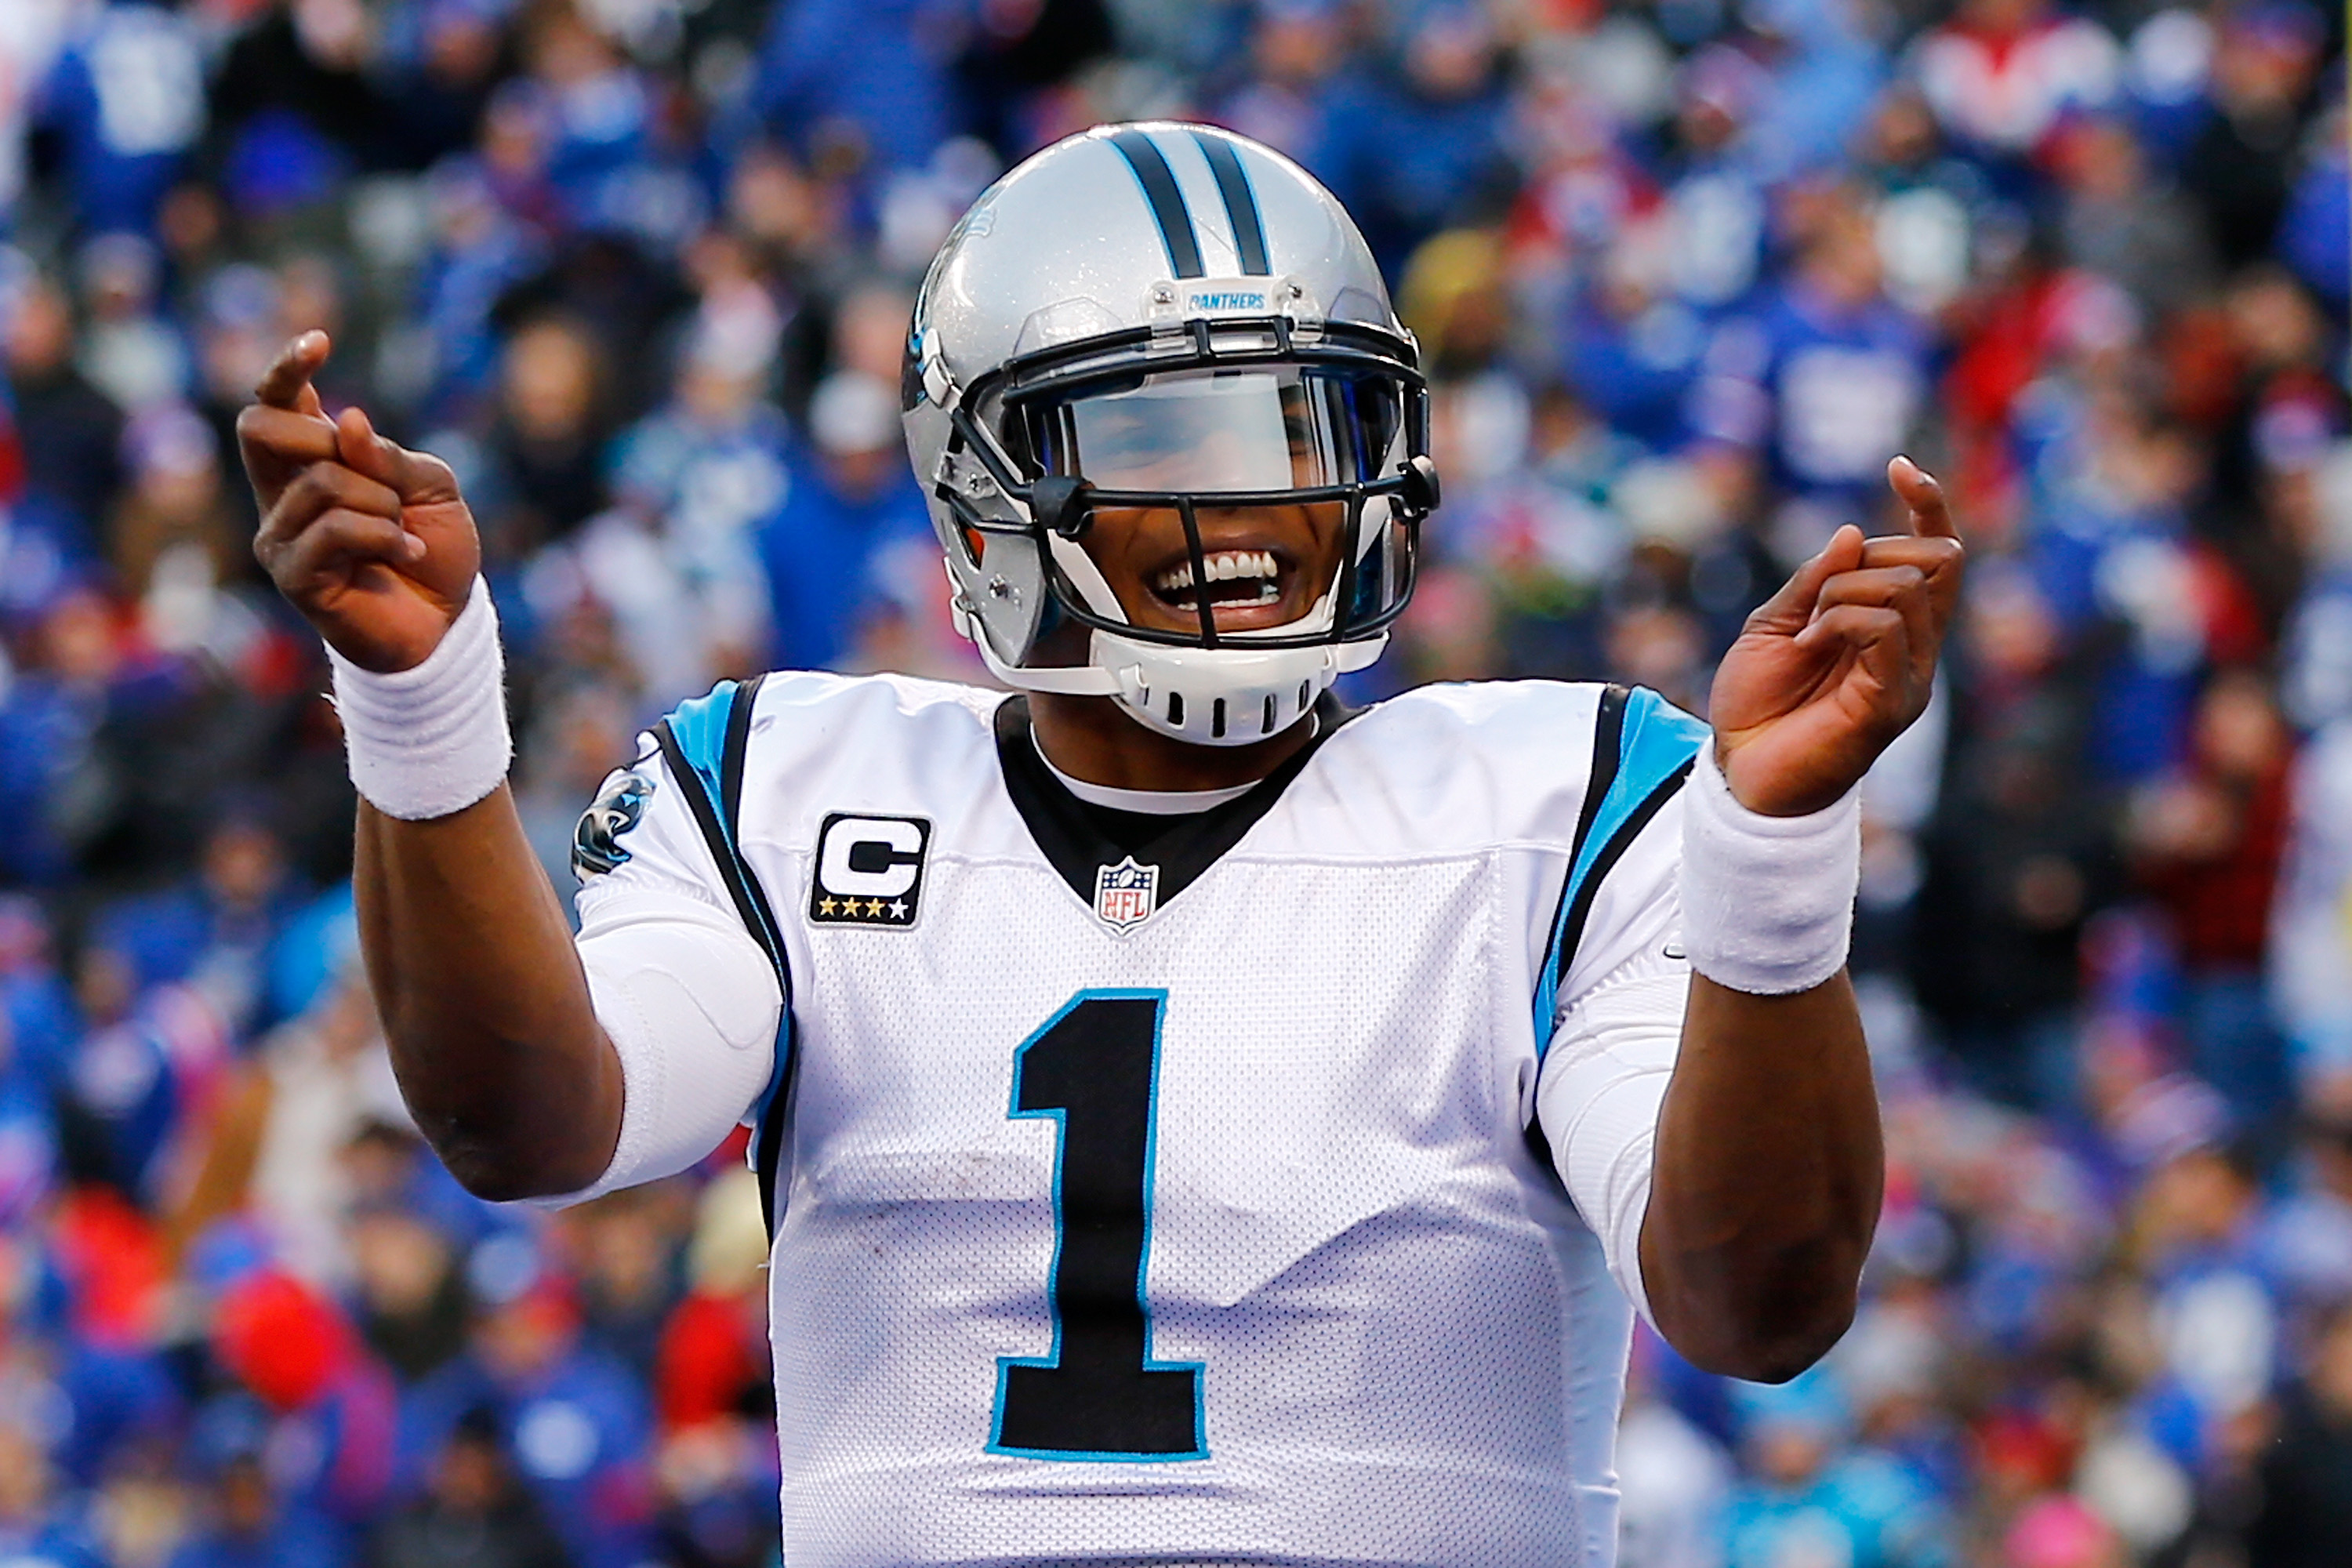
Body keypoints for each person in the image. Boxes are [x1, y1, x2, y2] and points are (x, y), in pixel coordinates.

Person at [237, 123, 1963, 1567]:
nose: (1268, 506)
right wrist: (424, 715)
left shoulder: (1559, 798)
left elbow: (1756, 1299)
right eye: (1167, 436)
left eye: (1309, 428)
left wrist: (1777, 853)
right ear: (982, 477)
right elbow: (528, 1121)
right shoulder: (785, 783)